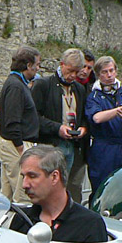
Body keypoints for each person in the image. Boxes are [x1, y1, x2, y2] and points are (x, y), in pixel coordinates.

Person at [10, 145, 108, 242]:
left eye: (32, 176)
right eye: (23, 177)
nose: (24, 185)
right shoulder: (22, 219)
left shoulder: (90, 224)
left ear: (54, 177)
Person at [31, 48, 88, 203]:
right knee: (48, 187)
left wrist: (83, 128)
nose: (73, 76)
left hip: (73, 146)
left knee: (66, 188)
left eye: (77, 72)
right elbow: (34, 117)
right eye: (70, 71)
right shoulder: (43, 85)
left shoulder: (79, 89)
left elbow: (83, 115)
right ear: (62, 65)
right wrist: (57, 128)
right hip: (51, 145)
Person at [85, 56, 122, 197]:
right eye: (105, 72)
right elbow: (97, 118)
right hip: (104, 148)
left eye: (111, 70)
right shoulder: (94, 96)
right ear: (99, 75)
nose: (109, 75)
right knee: (102, 188)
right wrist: (120, 110)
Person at [0, 46, 43, 203]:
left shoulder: (17, 84)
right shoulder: (16, 86)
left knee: (7, 194)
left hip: (13, 144)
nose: (38, 68)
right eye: (37, 64)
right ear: (28, 66)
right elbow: (12, 121)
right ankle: (19, 226)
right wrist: (21, 148)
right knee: (23, 192)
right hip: (16, 145)